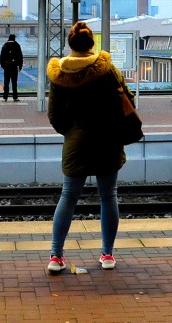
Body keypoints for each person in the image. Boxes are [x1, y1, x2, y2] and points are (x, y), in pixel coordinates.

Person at [46, 21, 129, 273]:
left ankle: (56, 256)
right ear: (92, 44)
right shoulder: (107, 69)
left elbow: (54, 115)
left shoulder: (60, 74)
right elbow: (126, 99)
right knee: (108, 196)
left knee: (68, 197)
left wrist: (71, 132)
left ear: (70, 44)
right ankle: (107, 254)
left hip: (76, 142)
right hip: (107, 140)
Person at [0, 34, 23, 101]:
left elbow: (1, 57)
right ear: (14, 38)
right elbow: (20, 56)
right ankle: (15, 97)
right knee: (14, 83)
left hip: (7, 67)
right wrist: (20, 66)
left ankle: (5, 97)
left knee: (6, 82)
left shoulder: (5, 45)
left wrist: (3, 66)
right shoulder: (17, 45)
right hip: (14, 67)